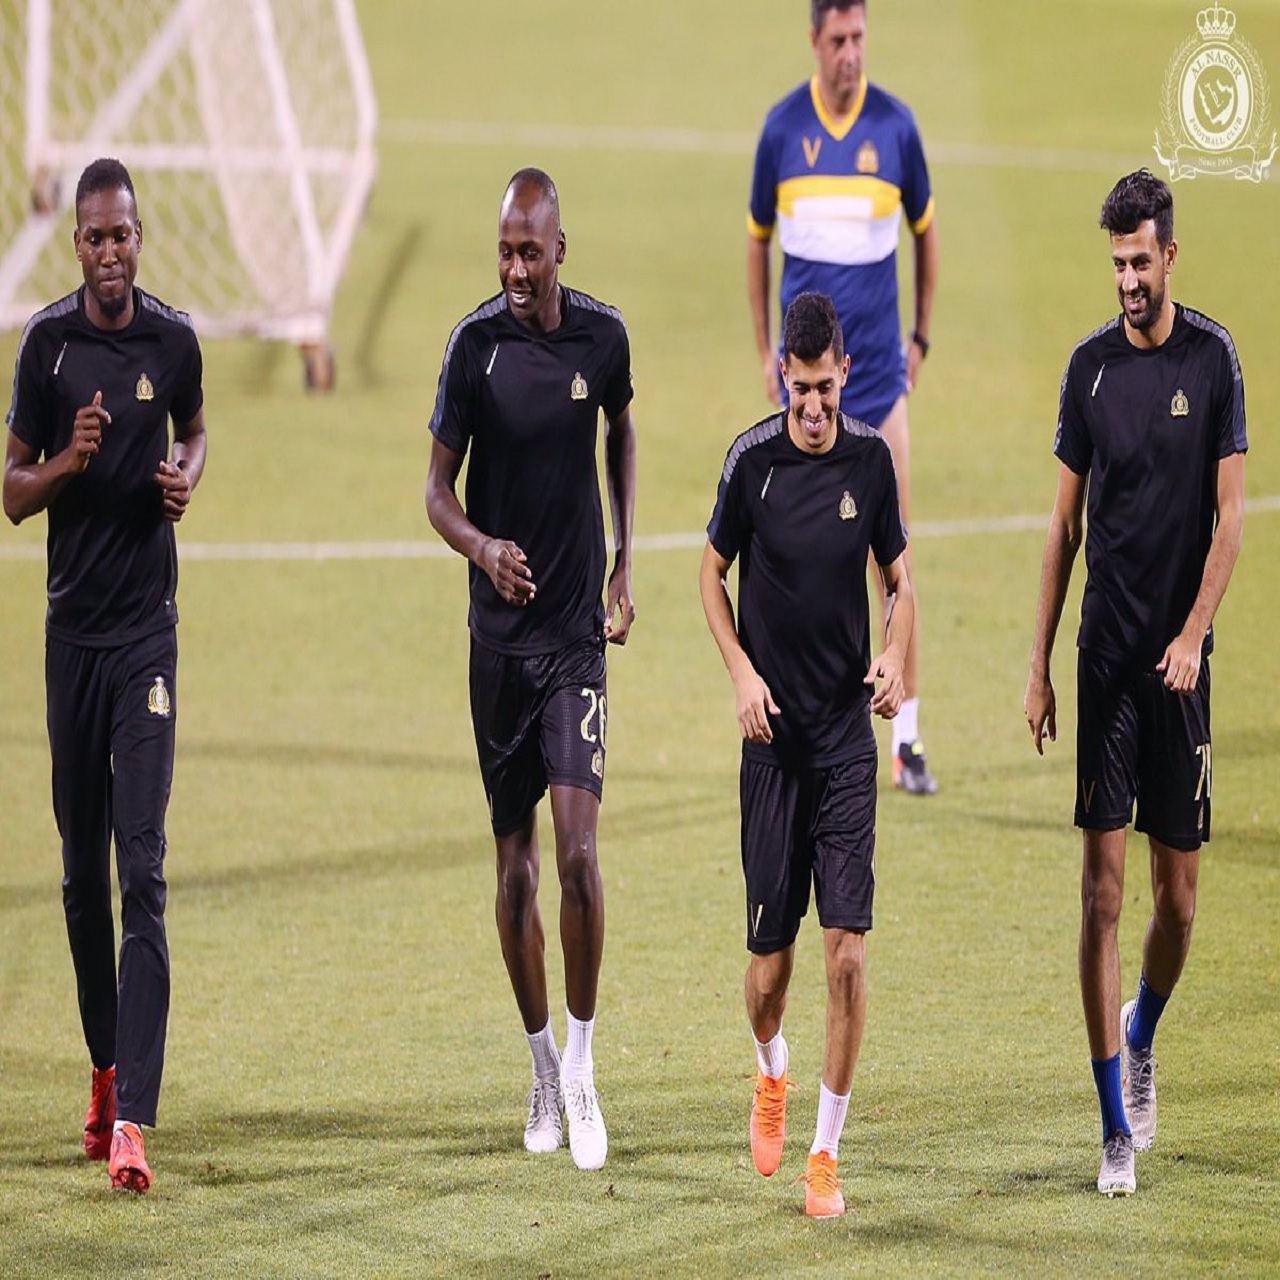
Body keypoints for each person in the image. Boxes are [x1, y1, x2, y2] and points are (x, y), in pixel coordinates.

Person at [1024, 169, 1246, 1197]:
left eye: (1140, 261)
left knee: (1178, 904)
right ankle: (1112, 1125)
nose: (1126, 279)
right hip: (1106, 661)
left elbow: (1231, 519)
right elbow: (1062, 527)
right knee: (1101, 893)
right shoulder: (1088, 370)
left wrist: (1194, 633)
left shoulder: (1212, 359)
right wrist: (1037, 665)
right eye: (1115, 262)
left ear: (1170, 256)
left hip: (1178, 667)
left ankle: (1141, 1029)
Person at [425, 168, 636, 1172]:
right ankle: (541, 1064)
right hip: (497, 649)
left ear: (559, 249)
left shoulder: (602, 338)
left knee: (578, 857)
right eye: (503, 251)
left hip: (573, 642)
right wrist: (481, 548)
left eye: (529, 251)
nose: (514, 269)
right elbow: (435, 491)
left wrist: (625, 557)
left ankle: (584, 1065)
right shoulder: (473, 348)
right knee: (513, 870)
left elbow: (621, 430)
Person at [3, 157, 207, 1195]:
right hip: (71, 643)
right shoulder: (47, 347)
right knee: (82, 877)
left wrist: (185, 477)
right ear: (76, 243)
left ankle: (133, 1118)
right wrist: (68, 464)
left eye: (122, 233)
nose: (110, 251)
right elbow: (11, 491)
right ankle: (102, 1066)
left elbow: (197, 429)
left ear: (138, 234)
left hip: (144, 643)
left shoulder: (173, 341)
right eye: (94, 237)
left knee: (143, 869)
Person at [700, 291, 913, 1218]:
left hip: (844, 748)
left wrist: (895, 653)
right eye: (803, 390)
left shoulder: (870, 461)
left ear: (844, 375)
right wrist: (742, 673)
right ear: (781, 375)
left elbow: (900, 579)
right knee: (769, 972)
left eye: (828, 389)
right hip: (771, 752)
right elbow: (709, 574)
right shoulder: (751, 463)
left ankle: (825, 1155)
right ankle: (771, 1065)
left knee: (848, 958)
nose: (816, 407)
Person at [746, 0, 939, 795]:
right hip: (807, 403)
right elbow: (757, 242)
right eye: (838, 40)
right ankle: (799, 721)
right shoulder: (780, 131)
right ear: (815, 41)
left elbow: (925, 232)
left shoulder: (896, 129)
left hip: (881, 385)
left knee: (894, 557)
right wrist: (766, 350)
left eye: (859, 38)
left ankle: (908, 737)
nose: (850, 53)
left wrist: (920, 337)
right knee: (799, 554)